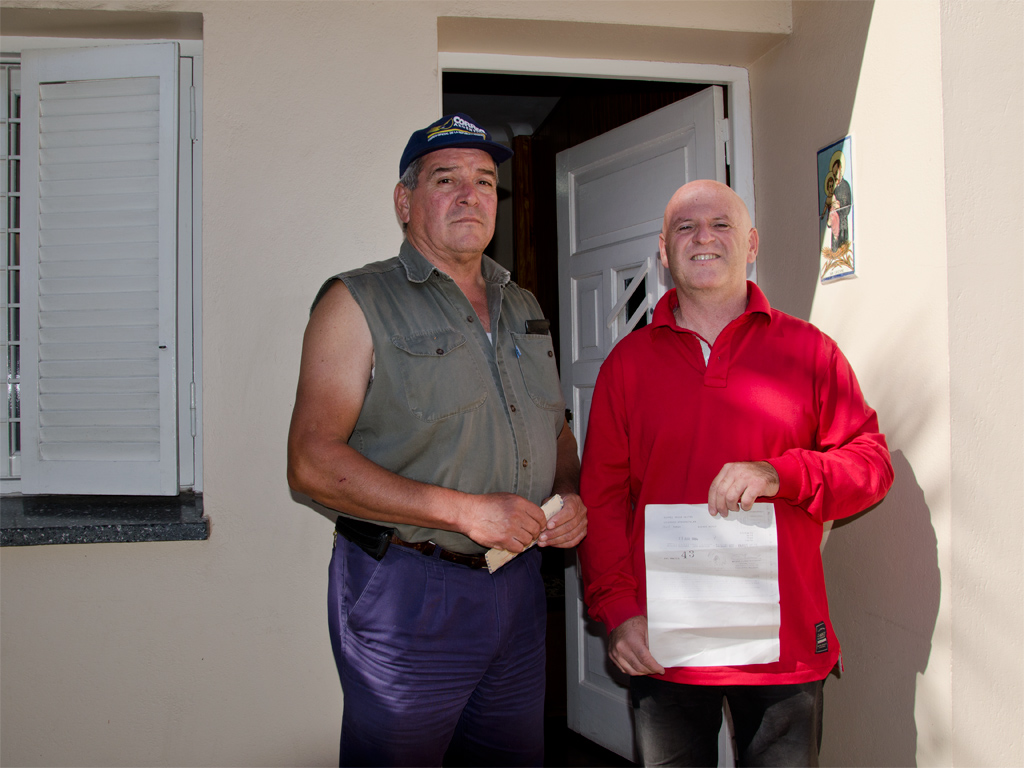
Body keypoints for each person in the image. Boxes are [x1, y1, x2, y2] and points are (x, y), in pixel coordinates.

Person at [287, 113, 587, 767]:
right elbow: (310, 462)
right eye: (445, 179)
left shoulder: (525, 305)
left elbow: (555, 427)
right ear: (405, 200)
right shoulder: (356, 300)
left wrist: (570, 492)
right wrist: (466, 511)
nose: (470, 195)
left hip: (518, 586)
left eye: (485, 182)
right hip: (409, 590)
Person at [577, 179, 893, 766]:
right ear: (664, 250)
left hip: (784, 645)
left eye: (721, 225)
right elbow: (600, 501)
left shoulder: (811, 352)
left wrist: (782, 474)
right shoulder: (627, 365)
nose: (704, 238)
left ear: (750, 243)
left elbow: (871, 466)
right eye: (685, 228)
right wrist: (617, 613)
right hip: (664, 644)